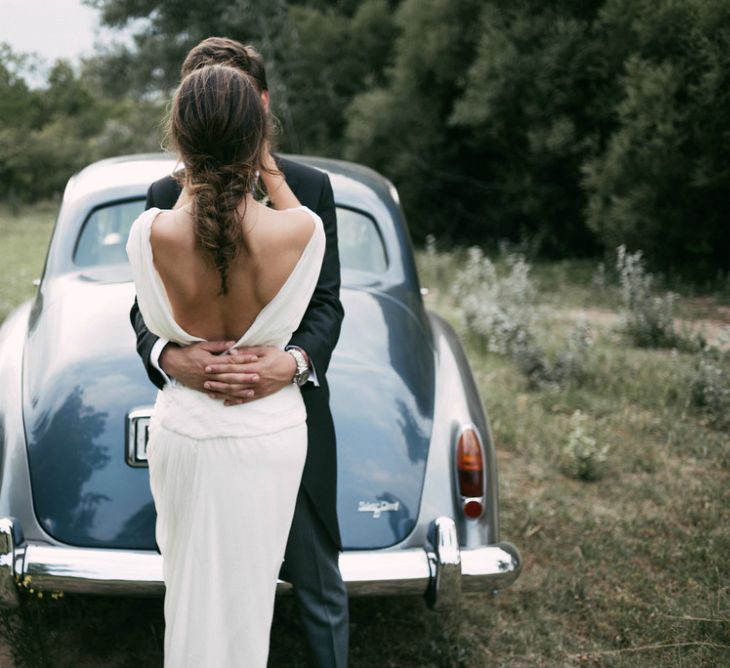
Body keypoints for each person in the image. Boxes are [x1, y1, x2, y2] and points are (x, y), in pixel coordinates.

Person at [129, 39, 348, 667]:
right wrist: (171, 358)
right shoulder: (295, 218)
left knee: (315, 580)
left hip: (284, 405)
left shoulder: (313, 187)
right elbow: (143, 316)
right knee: (203, 582)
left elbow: (328, 304)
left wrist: (294, 362)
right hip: (240, 426)